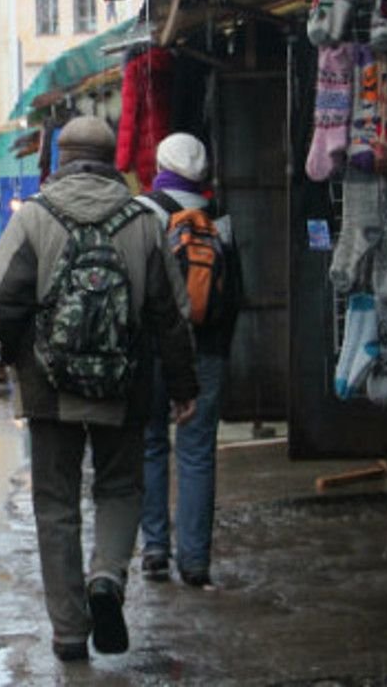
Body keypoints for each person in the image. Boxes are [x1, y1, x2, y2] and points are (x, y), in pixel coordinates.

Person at [0, 115, 197, 662]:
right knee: (120, 488)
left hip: (48, 386)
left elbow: (0, 300)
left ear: (60, 158)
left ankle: (70, 633)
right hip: (123, 382)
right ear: (112, 162)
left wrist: (17, 356)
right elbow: (171, 313)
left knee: (55, 504)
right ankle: (107, 577)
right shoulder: (144, 220)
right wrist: (182, 385)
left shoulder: (34, 217)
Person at [137, 133, 240, 590]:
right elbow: (236, 292)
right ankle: (195, 561)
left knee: (151, 443)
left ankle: (155, 548)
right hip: (208, 350)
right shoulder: (219, 218)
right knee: (197, 453)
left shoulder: (144, 212)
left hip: (155, 347)